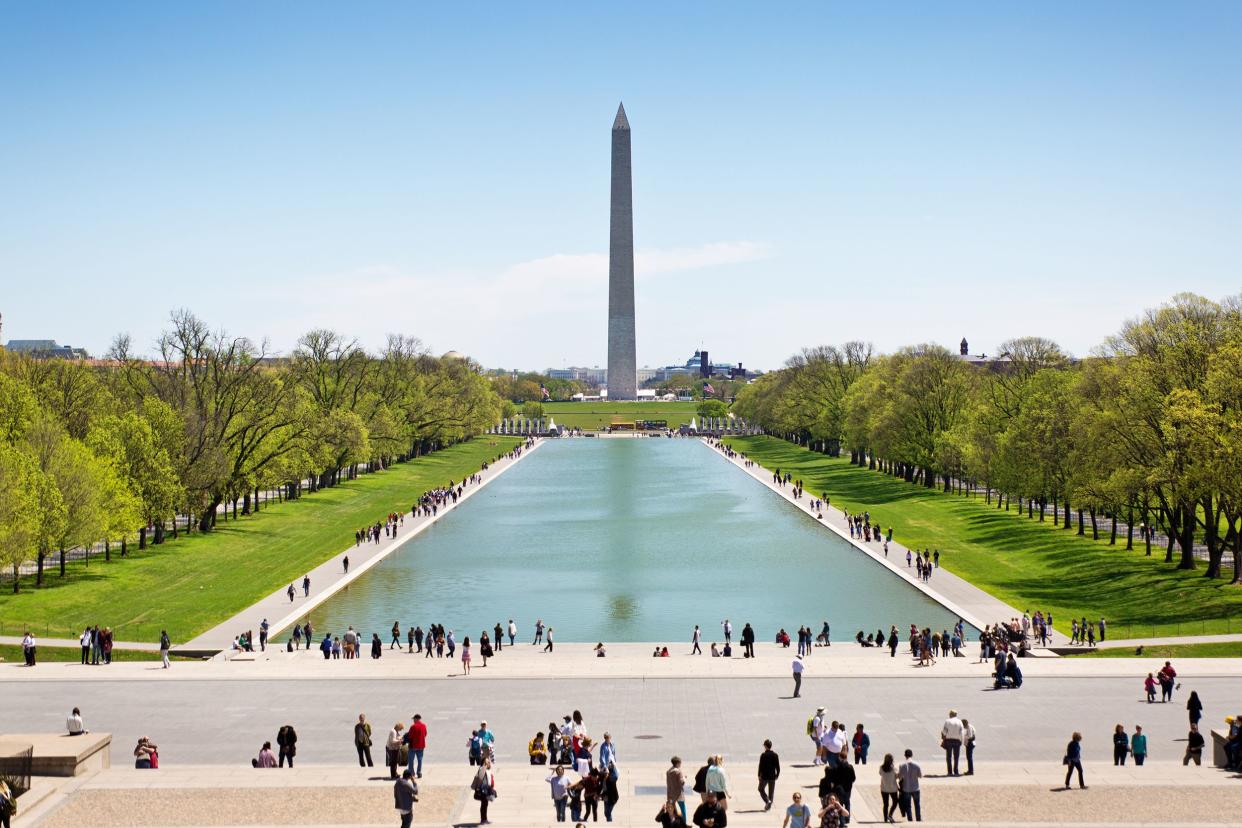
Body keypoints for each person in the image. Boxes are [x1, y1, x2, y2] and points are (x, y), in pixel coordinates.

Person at [897, 749, 921, 821]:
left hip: (906, 788)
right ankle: (918, 819)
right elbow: (920, 775)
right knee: (917, 805)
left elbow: (899, 777)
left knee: (908, 805)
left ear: (905, 756)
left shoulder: (902, 765)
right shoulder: (917, 765)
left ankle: (910, 819)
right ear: (912, 755)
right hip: (915, 788)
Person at [757, 739, 780, 811]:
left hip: (764, 776)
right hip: (772, 776)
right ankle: (769, 805)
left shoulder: (763, 755)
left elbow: (760, 766)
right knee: (771, 792)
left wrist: (759, 775)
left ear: (765, 746)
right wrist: (777, 775)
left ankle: (767, 801)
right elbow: (778, 767)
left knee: (760, 789)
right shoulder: (775, 755)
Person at [472, 757, 495, 824]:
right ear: (484, 763)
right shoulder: (482, 769)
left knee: (485, 804)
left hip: (486, 789)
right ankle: (483, 819)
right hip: (482, 791)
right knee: (484, 804)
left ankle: (485, 819)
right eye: (487, 762)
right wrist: (484, 766)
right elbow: (480, 776)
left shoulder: (487, 770)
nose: (489, 763)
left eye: (489, 762)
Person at [940, 710, 964, 776]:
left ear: (951, 714)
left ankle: (950, 772)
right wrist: (961, 741)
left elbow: (944, 732)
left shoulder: (947, 721)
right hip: (957, 741)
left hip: (949, 741)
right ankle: (956, 771)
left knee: (949, 757)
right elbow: (962, 732)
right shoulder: (960, 722)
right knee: (956, 757)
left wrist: (943, 738)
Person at [878, 754, 899, 824]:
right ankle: (890, 814)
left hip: (884, 788)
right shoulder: (893, 769)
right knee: (895, 802)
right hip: (893, 788)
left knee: (885, 804)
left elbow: (880, 774)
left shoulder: (881, 767)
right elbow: (897, 776)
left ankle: (885, 818)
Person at [666, 756, 688, 823]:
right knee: (683, 809)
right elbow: (681, 783)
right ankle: (684, 823)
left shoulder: (668, 771)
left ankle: (672, 822)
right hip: (679, 794)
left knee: (672, 810)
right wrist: (685, 778)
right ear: (678, 763)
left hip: (671, 793)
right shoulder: (678, 772)